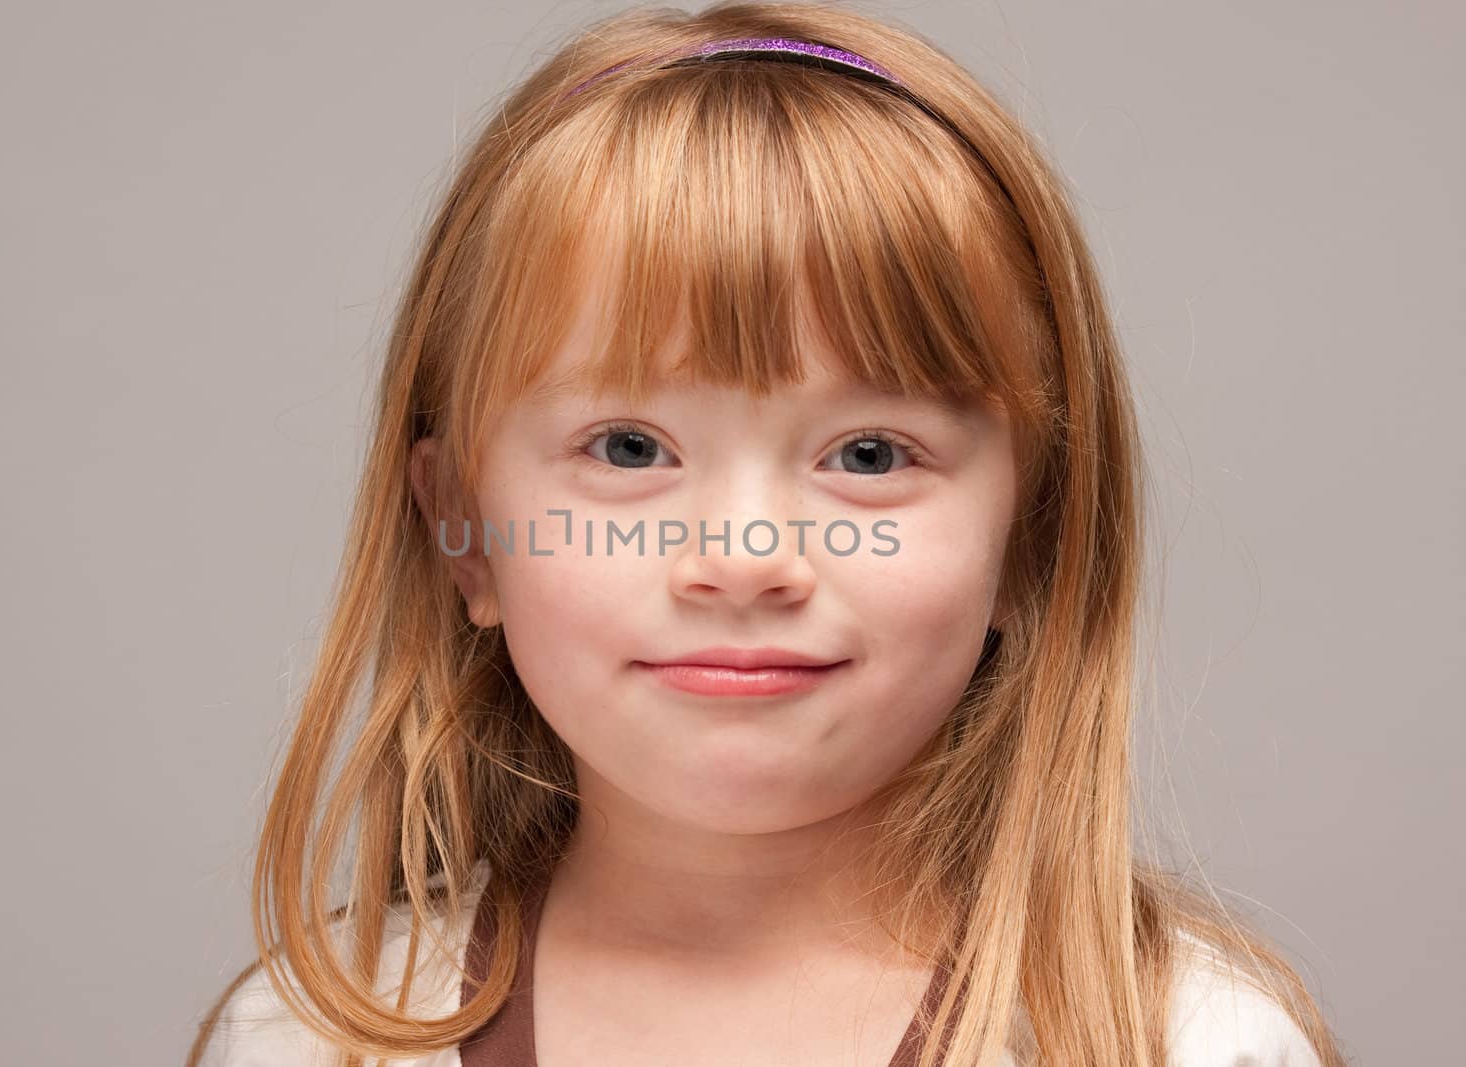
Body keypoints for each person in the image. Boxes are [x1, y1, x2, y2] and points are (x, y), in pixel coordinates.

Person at [187, 3, 1347, 1064]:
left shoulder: (1179, 1041)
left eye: (869, 455)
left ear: (1029, 536)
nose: (744, 558)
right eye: (630, 449)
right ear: (461, 528)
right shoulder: (310, 1037)